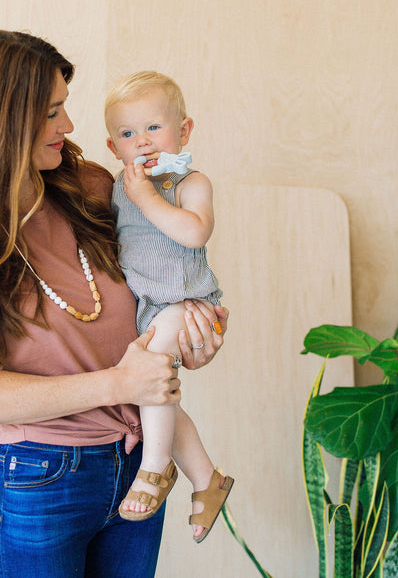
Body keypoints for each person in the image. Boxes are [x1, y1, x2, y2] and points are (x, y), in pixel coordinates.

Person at [0, 30, 229, 578]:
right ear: (4, 120)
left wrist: (197, 331)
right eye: (52, 112)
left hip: (139, 467)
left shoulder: (96, 189)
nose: (70, 126)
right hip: (44, 479)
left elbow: (165, 276)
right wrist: (121, 384)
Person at [104, 71, 233, 543]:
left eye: (154, 127)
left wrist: (145, 196)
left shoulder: (190, 182)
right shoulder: (117, 186)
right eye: (127, 133)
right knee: (157, 396)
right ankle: (207, 479)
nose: (142, 141)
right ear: (113, 147)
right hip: (148, 309)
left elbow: (195, 232)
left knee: (153, 378)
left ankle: (155, 465)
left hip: (188, 302)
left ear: (184, 130)